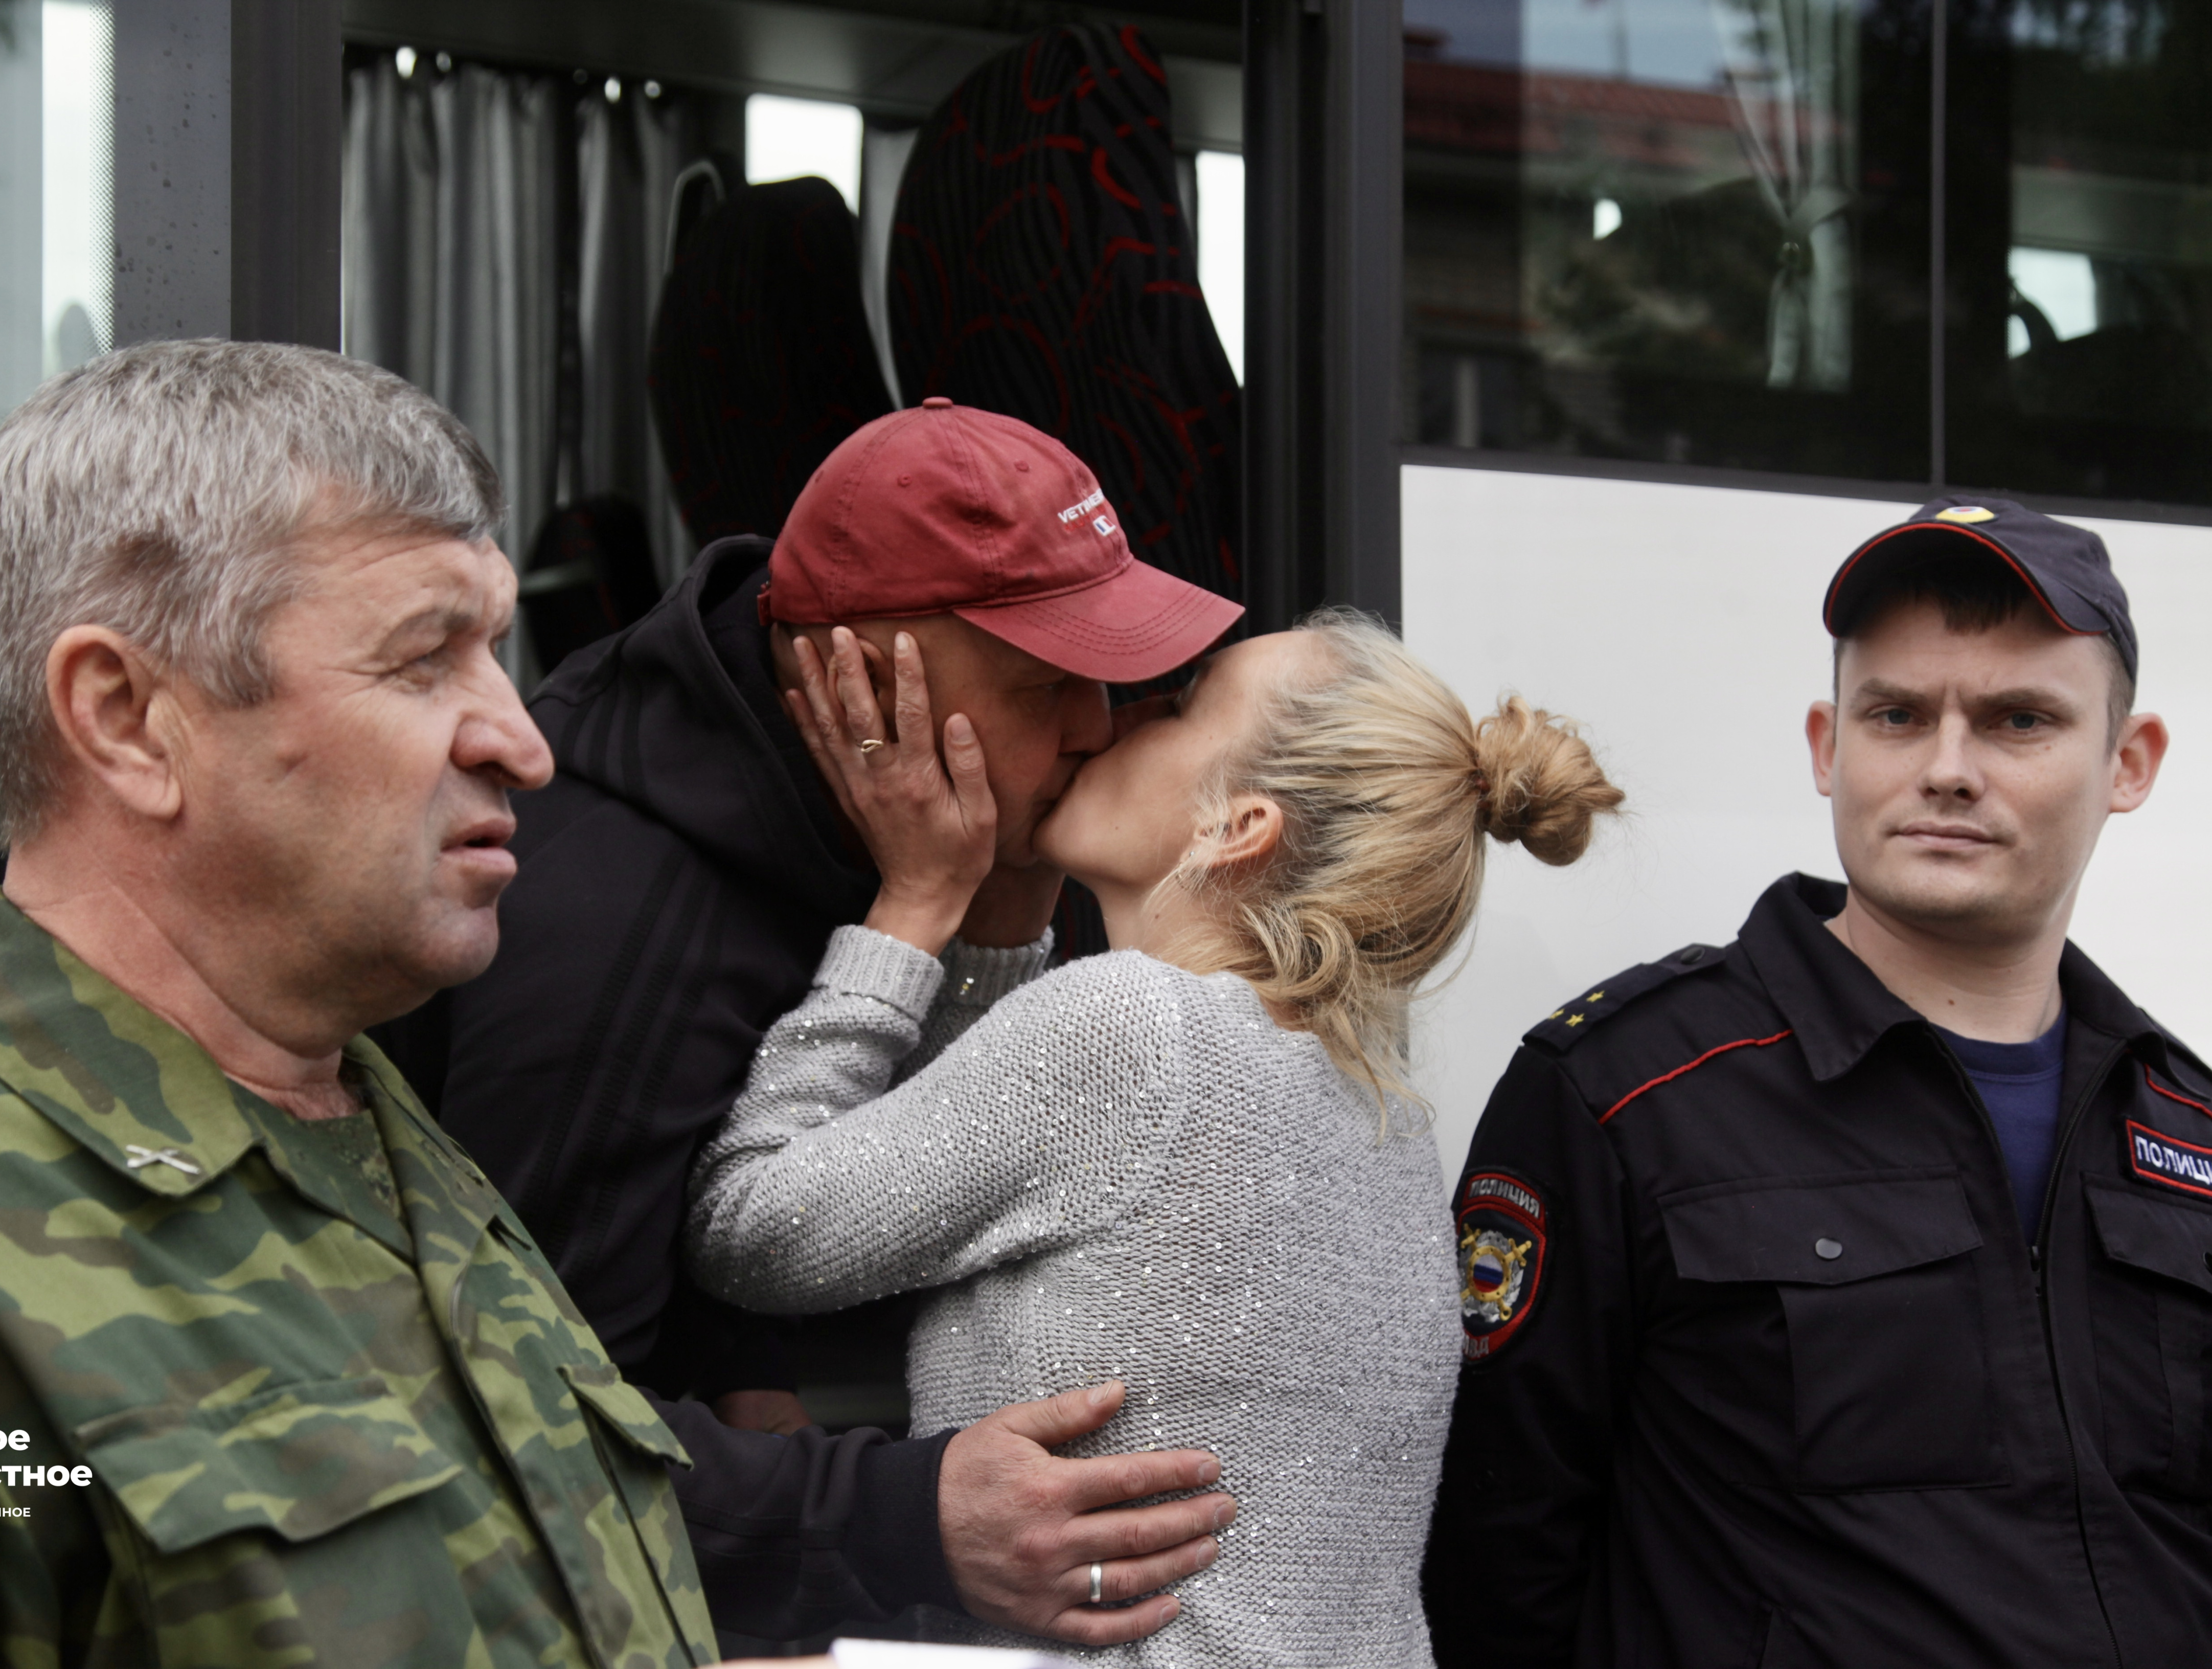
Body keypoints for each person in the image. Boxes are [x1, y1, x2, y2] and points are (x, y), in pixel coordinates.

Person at [0, 343, 1220, 1665]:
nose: (523, 740)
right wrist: (891, 1514)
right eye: (424, 658)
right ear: (129, 720)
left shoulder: (392, 1162)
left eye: (494, 651)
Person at [407, 397, 1247, 1643]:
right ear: (848, 673)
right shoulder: (612, 937)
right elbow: (512, 1440)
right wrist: (897, 1519)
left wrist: (742, 1365)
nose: (1093, 728)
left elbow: (929, 1220)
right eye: (1044, 684)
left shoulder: (921, 822)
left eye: (1106, 676)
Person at [689, 609, 1625, 1663]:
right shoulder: (1382, 1110)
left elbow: (750, 1230)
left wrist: (914, 904)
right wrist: (1002, 924)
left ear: (1238, 827)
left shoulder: (1131, 1033)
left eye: (1180, 706)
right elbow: (977, 1173)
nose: (1113, 720)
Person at [1422, 498, 2209, 1667]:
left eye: (2019, 720)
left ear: (2127, 763)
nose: (1949, 770)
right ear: (1828, 746)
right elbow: (1493, 1571)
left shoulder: (2189, 1130)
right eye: (1898, 715)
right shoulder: (1624, 1095)